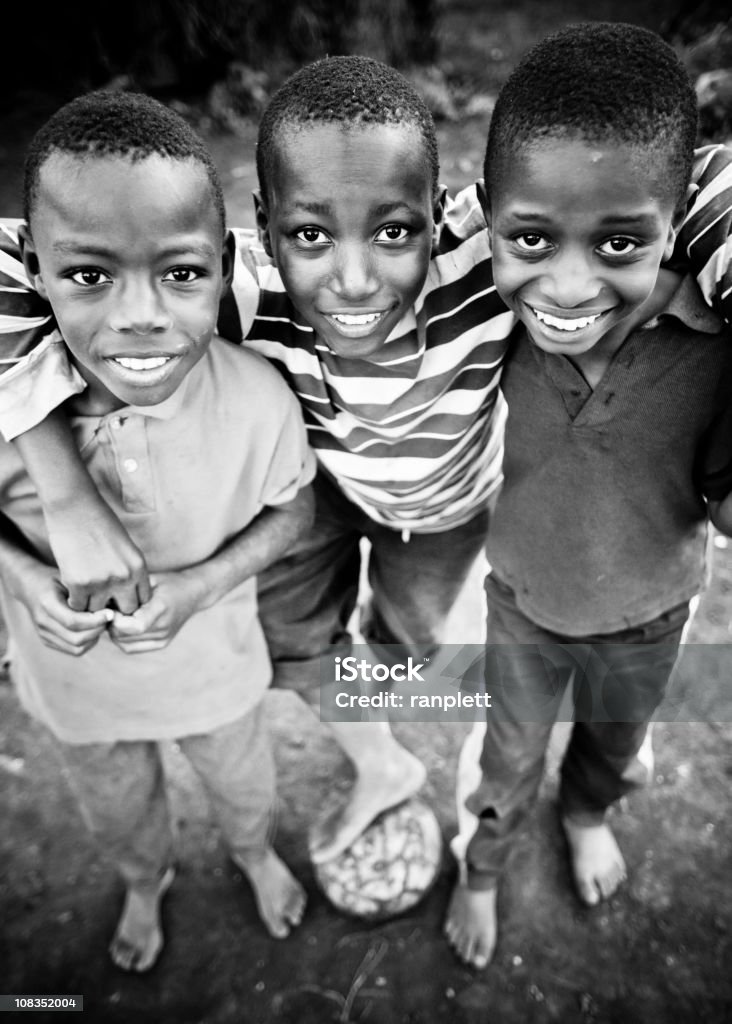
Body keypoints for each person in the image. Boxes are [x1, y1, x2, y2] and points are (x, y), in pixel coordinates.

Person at [1, 57, 732, 862]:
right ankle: (379, 762)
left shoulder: (491, 260)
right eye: (310, 234)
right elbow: (19, 254)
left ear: (446, 212)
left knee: (405, 648)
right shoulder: (229, 285)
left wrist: (690, 274)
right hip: (316, 495)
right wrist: (63, 491)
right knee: (294, 642)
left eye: (393, 231)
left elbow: (686, 175)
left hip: (445, 509)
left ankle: (384, 706)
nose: (352, 281)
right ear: (262, 223)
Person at [0, 90, 315, 971]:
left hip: (215, 672)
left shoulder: (257, 397)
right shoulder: (8, 411)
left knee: (244, 785)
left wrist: (197, 588)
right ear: (35, 266)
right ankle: (146, 880)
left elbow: (295, 509)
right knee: (115, 807)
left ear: (224, 263)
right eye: (90, 275)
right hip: (75, 692)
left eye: (180, 274)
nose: (140, 314)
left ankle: (254, 854)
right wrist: (26, 579)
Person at [444, 22, 732, 970]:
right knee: (506, 755)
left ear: (676, 215)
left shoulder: (718, 337)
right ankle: (483, 866)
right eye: (530, 236)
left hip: (651, 609)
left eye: (618, 241)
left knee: (615, 739)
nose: (566, 283)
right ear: (489, 214)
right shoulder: (486, 313)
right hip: (522, 601)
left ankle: (587, 814)